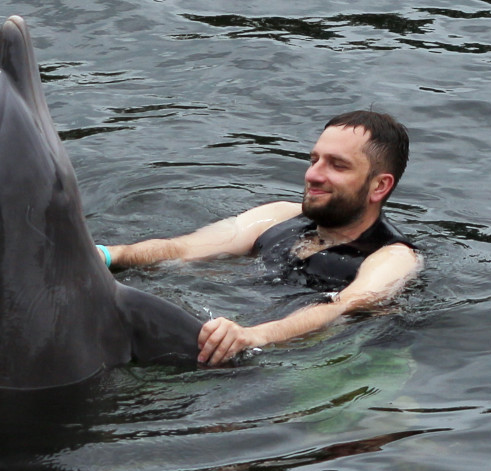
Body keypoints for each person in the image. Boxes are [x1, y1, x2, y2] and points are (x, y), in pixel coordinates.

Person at [99, 111, 421, 367]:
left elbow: (341, 307)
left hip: (329, 362)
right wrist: (109, 254)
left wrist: (253, 336)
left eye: (337, 165)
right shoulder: (280, 215)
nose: (313, 175)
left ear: (379, 186)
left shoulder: (393, 256)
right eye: (314, 160)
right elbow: (182, 248)